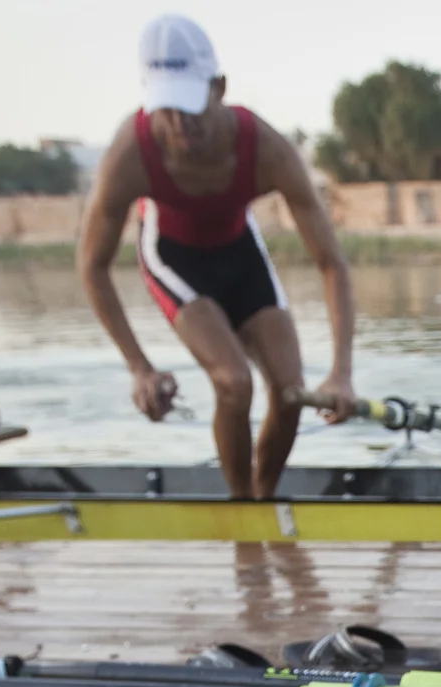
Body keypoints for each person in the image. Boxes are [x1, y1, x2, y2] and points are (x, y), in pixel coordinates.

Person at [78, 13, 357, 499]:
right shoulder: (129, 154)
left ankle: (263, 500)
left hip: (240, 250)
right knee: (233, 382)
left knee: (291, 391)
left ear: (219, 88)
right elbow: (92, 266)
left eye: (190, 107)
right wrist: (139, 367)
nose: (179, 125)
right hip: (174, 257)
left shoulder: (266, 148)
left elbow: (332, 264)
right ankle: (239, 508)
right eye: (166, 108)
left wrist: (342, 372)